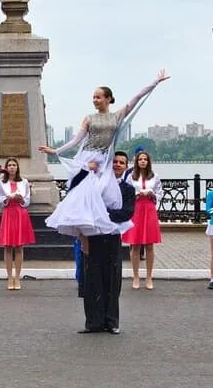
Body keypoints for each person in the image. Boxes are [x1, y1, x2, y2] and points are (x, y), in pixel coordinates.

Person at [38, 71, 169, 251]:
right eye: (93, 97)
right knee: (85, 199)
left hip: (105, 161)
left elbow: (137, 97)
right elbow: (76, 141)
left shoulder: (117, 115)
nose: (95, 100)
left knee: (106, 197)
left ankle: (102, 238)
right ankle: (84, 245)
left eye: (98, 97)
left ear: (108, 99)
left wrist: (155, 82)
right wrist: (56, 151)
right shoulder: (89, 118)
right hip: (89, 160)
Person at [79, 151, 136, 334]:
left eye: (121, 162)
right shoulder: (94, 185)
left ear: (126, 167)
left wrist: (103, 214)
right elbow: (84, 207)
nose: (117, 165)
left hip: (112, 237)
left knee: (112, 279)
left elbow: (126, 213)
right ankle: (93, 322)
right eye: (115, 162)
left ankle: (112, 322)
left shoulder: (127, 189)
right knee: (92, 279)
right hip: (93, 237)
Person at [123, 150, 163, 290]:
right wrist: (136, 195)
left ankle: (149, 276)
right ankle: (135, 276)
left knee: (149, 245)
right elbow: (126, 193)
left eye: (145, 159)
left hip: (149, 210)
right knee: (135, 245)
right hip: (136, 210)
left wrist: (153, 195)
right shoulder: (130, 177)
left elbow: (160, 192)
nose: (143, 161)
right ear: (136, 161)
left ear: (148, 161)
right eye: (140, 159)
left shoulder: (155, 176)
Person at [0, 157, 35, 291]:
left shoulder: (24, 182)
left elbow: (27, 201)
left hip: (20, 213)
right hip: (8, 213)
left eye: (14, 165)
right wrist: (7, 198)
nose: (12, 167)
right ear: (6, 168)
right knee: (7, 246)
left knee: (19, 246)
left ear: (17, 167)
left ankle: (17, 277)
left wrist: (21, 198)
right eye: (10, 165)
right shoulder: (1, 183)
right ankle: (9, 277)